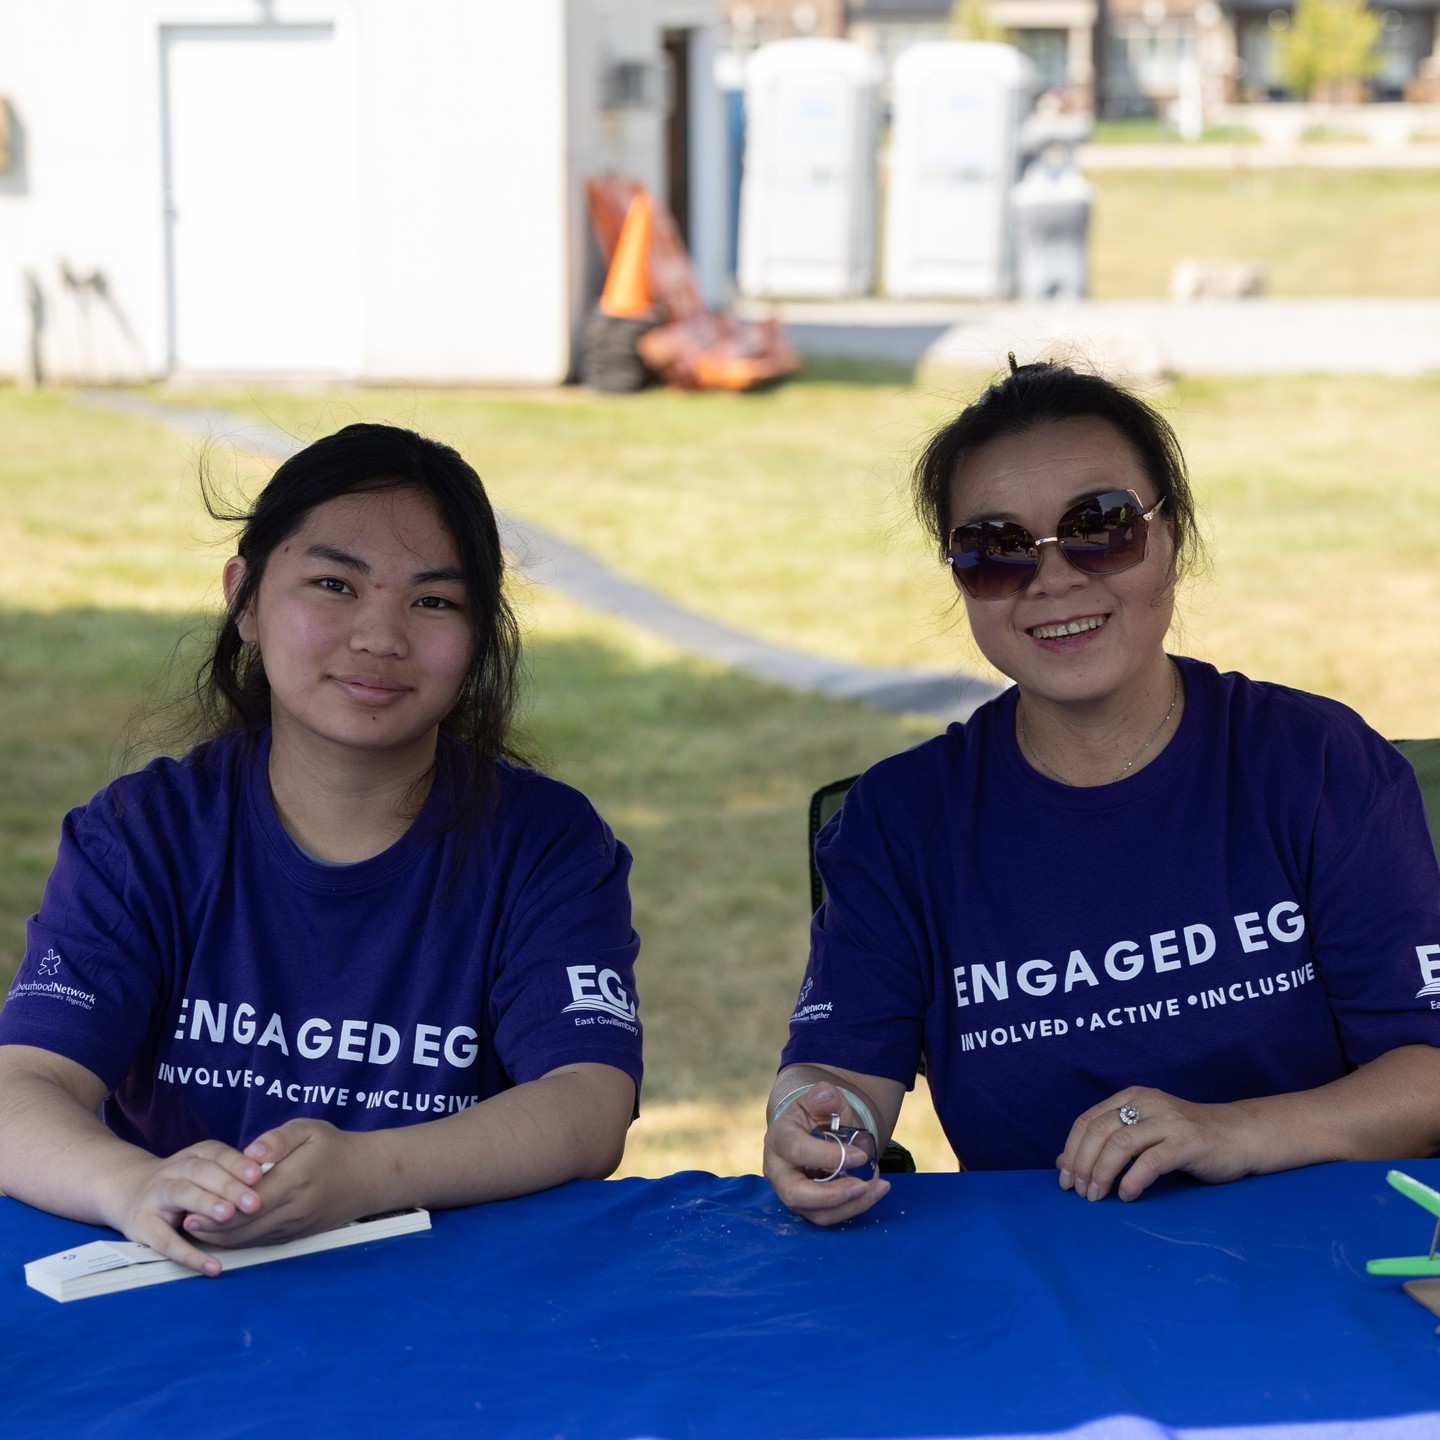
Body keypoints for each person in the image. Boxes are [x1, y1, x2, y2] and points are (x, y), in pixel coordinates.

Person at [764, 359, 1440, 1226]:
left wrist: (1230, 1132)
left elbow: (1425, 1073)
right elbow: (839, 1071)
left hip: (1319, 1253)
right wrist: (813, 1120)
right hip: (1041, 1275)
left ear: (1173, 538)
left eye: (1101, 527)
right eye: (995, 549)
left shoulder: (1315, 763)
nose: (1053, 578)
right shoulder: (901, 821)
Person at [0, 423, 641, 1272]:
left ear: (480, 634)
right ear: (245, 599)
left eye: (434, 601)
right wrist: (135, 1186)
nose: (380, 636)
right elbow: (24, 1086)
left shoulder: (545, 844)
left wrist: (367, 1174)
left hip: (450, 1298)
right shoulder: (141, 834)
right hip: (189, 1287)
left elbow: (589, 1103)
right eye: (334, 584)